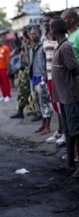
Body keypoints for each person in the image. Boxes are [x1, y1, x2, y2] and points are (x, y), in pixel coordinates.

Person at [50, 19, 79, 178]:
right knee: (68, 132)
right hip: (64, 97)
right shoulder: (60, 47)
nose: (49, 32)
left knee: (76, 131)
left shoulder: (65, 48)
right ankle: (70, 164)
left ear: (54, 30)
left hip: (71, 96)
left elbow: (75, 68)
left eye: (49, 29)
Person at [42, 13, 63, 143]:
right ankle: (60, 130)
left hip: (58, 74)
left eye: (48, 21)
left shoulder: (59, 37)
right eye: (44, 21)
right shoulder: (45, 37)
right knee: (55, 104)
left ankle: (65, 132)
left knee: (61, 105)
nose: (46, 24)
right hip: (49, 73)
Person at [29, 26, 53, 134]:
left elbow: (48, 61)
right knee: (38, 103)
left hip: (42, 77)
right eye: (31, 34)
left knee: (45, 103)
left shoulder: (43, 46)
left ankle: (48, 127)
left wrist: (46, 74)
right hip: (34, 78)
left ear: (39, 34)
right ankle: (43, 125)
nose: (32, 35)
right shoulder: (31, 47)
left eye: (34, 33)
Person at [10, 29, 32, 119]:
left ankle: (25, 111)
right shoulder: (25, 45)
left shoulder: (31, 45)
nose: (23, 39)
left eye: (24, 36)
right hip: (24, 70)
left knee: (26, 91)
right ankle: (22, 110)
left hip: (29, 70)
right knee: (23, 91)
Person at [0, 37, 11, 102]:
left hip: (4, 68)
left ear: (2, 41)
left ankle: (8, 95)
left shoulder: (6, 48)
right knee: (1, 83)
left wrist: (8, 69)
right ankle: (3, 95)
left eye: (0, 41)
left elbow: (8, 60)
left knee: (6, 82)